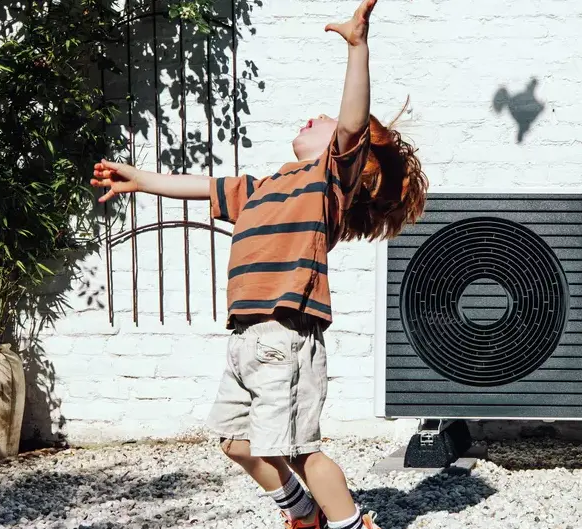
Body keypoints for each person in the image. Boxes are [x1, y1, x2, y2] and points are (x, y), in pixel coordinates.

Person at [90, 1, 428, 527]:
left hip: (284, 333)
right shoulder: (261, 188)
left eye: (328, 121)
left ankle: (351, 522)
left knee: (297, 450)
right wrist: (140, 177)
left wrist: (357, 48)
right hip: (246, 335)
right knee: (236, 442)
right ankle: (304, 514)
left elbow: (354, 121)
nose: (316, 118)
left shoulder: (324, 185)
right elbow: (199, 187)